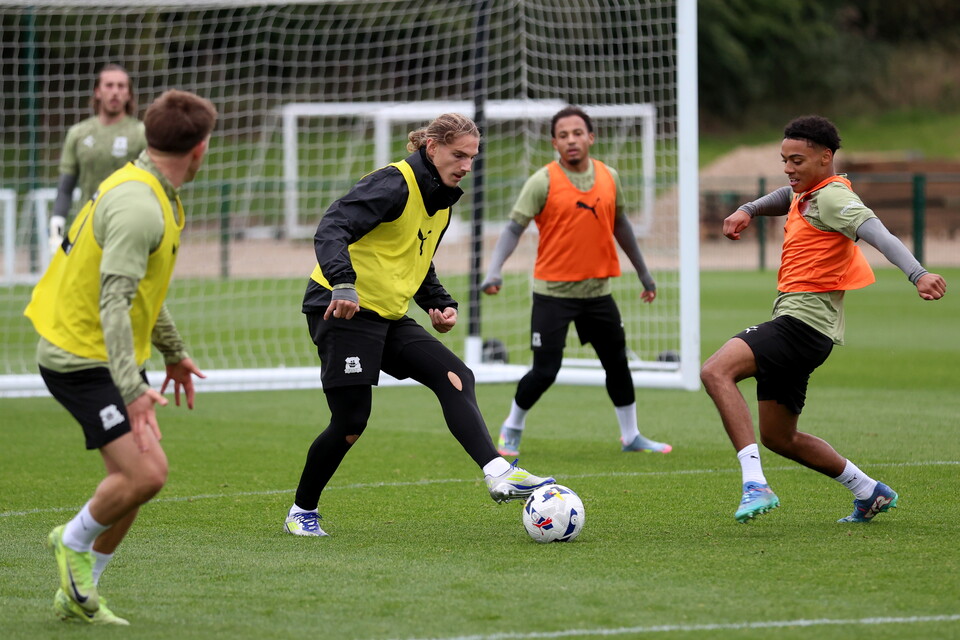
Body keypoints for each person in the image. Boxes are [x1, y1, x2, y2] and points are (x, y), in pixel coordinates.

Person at [285, 113, 556, 537]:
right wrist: (343, 283)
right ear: (432, 147)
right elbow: (332, 226)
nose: (466, 165)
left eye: (472, 157)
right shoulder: (393, 183)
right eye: (459, 155)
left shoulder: (442, 197)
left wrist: (437, 302)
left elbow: (416, 255)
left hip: (388, 314)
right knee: (351, 422)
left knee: (455, 375)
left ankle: (498, 472)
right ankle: (301, 511)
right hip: (341, 310)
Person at [24, 89, 217, 624]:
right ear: (200, 149)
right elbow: (114, 302)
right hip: (80, 356)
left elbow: (141, 290)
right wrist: (132, 389)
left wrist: (173, 352)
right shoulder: (139, 206)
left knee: (133, 483)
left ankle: (79, 591)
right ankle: (71, 541)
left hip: (106, 353)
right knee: (147, 474)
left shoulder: (148, 188)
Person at [700, 115, 947, 524]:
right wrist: (750, 209)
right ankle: (868, 490)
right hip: (807, 331)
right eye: (784, 160)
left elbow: (878, 233)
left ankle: (754, 483)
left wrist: (917, 273)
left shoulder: (834, 198)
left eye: (796, 160)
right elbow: (787, 195)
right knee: (779, 437)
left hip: (802, 325)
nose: (788, 168)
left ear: (825, 157)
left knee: (715, 371)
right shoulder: (810, 193)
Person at [480, 106, 671, 457]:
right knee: (545, 371)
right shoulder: (542, 181)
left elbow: (621, 225)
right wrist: (494, 270)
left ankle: (631, 436)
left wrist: (644, 273)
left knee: (617, 364)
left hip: (598, 293)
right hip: (552, 294)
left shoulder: (609, 177)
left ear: (591, 138)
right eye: (563, 135)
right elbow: (513, 228)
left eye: (578, 133)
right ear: (554, 143)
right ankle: (512, 426)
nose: (571, 140)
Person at [49, 64, 147, 254]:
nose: (115, 91)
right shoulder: (78, 133)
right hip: (88, 226)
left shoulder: (141, 133)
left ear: (129, 94)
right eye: (109, 85)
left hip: (129, 227)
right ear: (97, 92)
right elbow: (66, 187)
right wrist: (56, 225)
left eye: (121, 86)